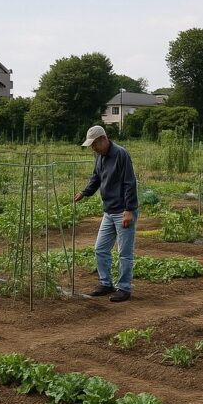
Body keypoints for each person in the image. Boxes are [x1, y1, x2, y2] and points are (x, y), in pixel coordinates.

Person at [74, 125, 138, 302]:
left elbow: (130, 183)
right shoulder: (100, 156)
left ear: (103, 139)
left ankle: (124, 288)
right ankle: (106, 283)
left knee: (124, 253)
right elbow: (96, 177)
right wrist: (84, 192)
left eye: (94, 144)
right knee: (100, 249)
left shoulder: (121, 154)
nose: (93, 148)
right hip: (109, 211)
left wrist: (129, 210)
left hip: (123, 210)